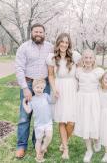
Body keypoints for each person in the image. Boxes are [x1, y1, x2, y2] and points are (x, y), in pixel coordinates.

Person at [15, 23, 53, 158]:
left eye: (41, 32)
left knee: (42, 114)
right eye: (36, 32)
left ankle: (37, 141)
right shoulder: (23, 48)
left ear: (44, 34)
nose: (38, 34)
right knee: (25, 117)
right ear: (31, 33)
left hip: (45, 85)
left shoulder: (50, 47)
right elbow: (19, 68)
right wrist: (25, 88)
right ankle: (21, 146)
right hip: (29, 83)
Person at [46, 33, 81, 160]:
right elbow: (50, 75)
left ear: (69, 44)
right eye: (62, 42)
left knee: (71, 122)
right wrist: (54, 88)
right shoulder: (51, 58)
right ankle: (65, 149)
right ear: (58, 43)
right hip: (59, 88)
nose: (64, 44)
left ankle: (64, 141)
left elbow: (82, 72)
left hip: (73, 88)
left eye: (66, 42)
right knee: (62, 120)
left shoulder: (75, 56)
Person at [74, 49, 104, 163]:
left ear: (94, 59)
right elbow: (76, 85)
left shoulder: (98, 72)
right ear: (82, 59)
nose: (88, 60)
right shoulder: (78, 71)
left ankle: (96, 140)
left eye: (90, 58)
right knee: (84, 122)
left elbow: (104, 85)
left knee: (94, 122)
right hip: (82, 99)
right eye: (85, 57)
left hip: (94, 99)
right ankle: (89, 150)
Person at [23, 79, 53, 163]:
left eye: (41, 88)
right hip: (38, 124)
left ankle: (43, 148)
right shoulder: (32, 99)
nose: (39, 89)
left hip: (48, 122)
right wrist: (24, 104)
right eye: (37, 87)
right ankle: (38, 154)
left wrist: (55, 96)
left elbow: (52, 101)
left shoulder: (46, 96)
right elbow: (29, 111)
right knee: (38, 140)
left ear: (44, 88)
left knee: (49, 136)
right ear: (33, 88)